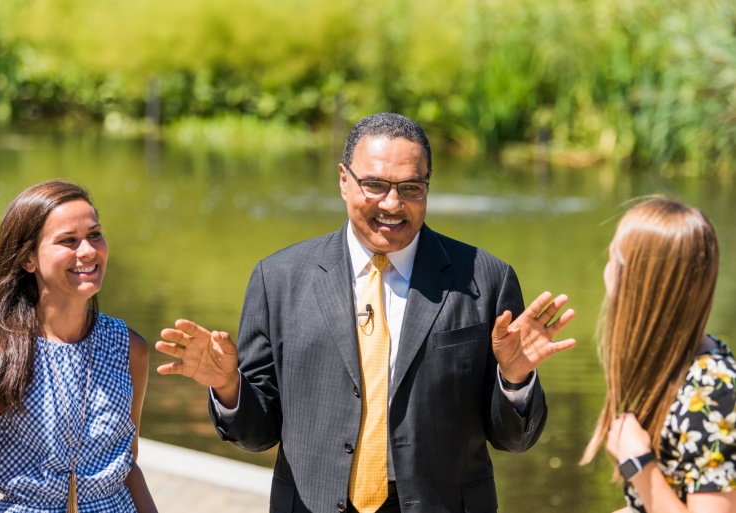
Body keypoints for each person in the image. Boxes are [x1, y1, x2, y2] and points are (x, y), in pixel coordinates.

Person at [156, 112, 576, 512]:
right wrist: (230, 387)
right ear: (343, 180)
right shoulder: (279, 279)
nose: (392, 204)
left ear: (429, 185)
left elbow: (514, 440)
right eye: (374, 185)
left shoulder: (485, 279)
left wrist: (516, 380)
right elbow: (257, 433)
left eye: (411, 188)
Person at [0, 180, 157, 512]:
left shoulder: (129, 349)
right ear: (28, 259)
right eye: (68, 240)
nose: (87, 251)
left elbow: (127, 465)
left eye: (95, 235)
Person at [580, 197, 735, 513]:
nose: (606, 272)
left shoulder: (714, 391)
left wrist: (639, 465)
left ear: (638, 282)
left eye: (613, 258)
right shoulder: (679, 367)